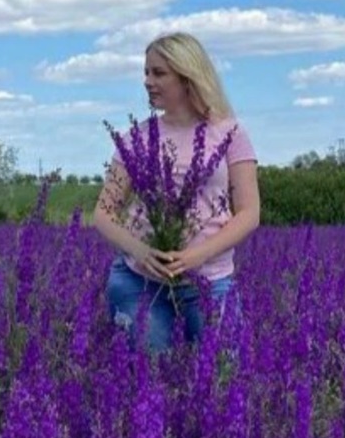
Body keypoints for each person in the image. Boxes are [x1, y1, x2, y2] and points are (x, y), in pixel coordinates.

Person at [93, 32, 260, 353]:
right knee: (149, 378)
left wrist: (197, 255)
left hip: (209, 283)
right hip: (138, 282)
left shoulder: (230, 133)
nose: (147, 81)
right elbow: (103, 213)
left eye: (158, 73)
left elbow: (249, 213)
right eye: (146, 72)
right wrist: (140, 251)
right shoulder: (135, 139)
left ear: (187, 77)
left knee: (222, 378)